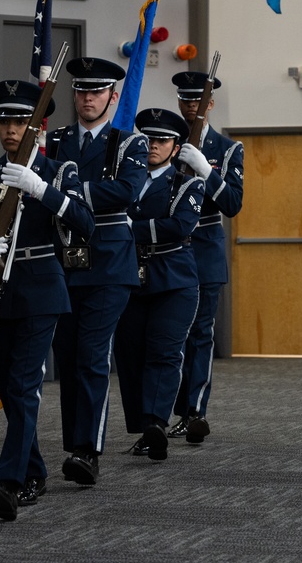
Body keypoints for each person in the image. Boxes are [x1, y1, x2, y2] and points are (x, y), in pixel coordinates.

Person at [0, 80, 95, 521]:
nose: (11, 129)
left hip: (41, 288)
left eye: (19, 120)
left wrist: (40, 188)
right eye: (4, 120)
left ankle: (10, 483)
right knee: (9, 390)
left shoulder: (58, 171)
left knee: (23, 385)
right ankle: (33, 471)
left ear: (38, 126)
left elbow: (85, 223)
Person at [45, 57, 149, 486]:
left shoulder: (130, 143)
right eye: (81, 91)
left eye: (97, 91)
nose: (88, 98)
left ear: (113, 95)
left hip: (108, 262)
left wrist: (69, 191)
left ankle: (88, 451)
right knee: (68, 359)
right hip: (62, 261)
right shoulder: (56, 140)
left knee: (91, 356)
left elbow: (126, 191)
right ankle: (76, 445)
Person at [114, 108, 205, 460]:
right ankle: (143, 426)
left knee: (164, 352)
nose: (153, 146)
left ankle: (155, 423)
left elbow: (179, 226)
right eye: (148, 139)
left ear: (175, 146)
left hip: (173, 279)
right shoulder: (125, 180)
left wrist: (124, 229)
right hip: (127, 276)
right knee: (131, 354)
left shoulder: (187, 184)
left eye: (161, 140)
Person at [166, 71, 245, 444]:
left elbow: (232, 204)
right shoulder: (164, 142)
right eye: (184, 101)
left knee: (199, 335)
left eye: (197, 101)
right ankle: (157, 415)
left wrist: (205, 170)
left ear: (209, 103)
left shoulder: (228, 149)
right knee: (166, 336)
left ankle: (193, 412)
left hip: (204, 252)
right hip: (166, 249)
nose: (190, 107)